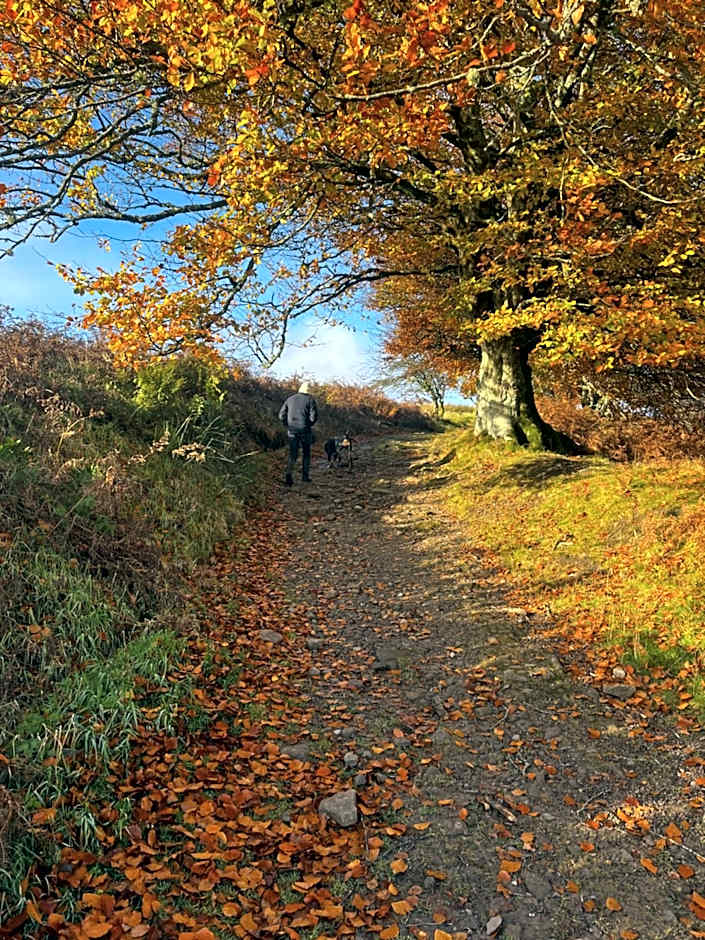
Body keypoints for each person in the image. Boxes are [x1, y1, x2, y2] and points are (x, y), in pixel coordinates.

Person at [278, 381, 318, 486]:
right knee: (306, 454)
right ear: (309, 391)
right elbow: (313, 417)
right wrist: (308, 424)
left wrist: (287, 425)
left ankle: (288, 476)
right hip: (305, 431)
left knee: (293, 454)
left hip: (292, 431)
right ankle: (305, 477)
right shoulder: (310, 400)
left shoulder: (290, 399)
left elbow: (281, 415)